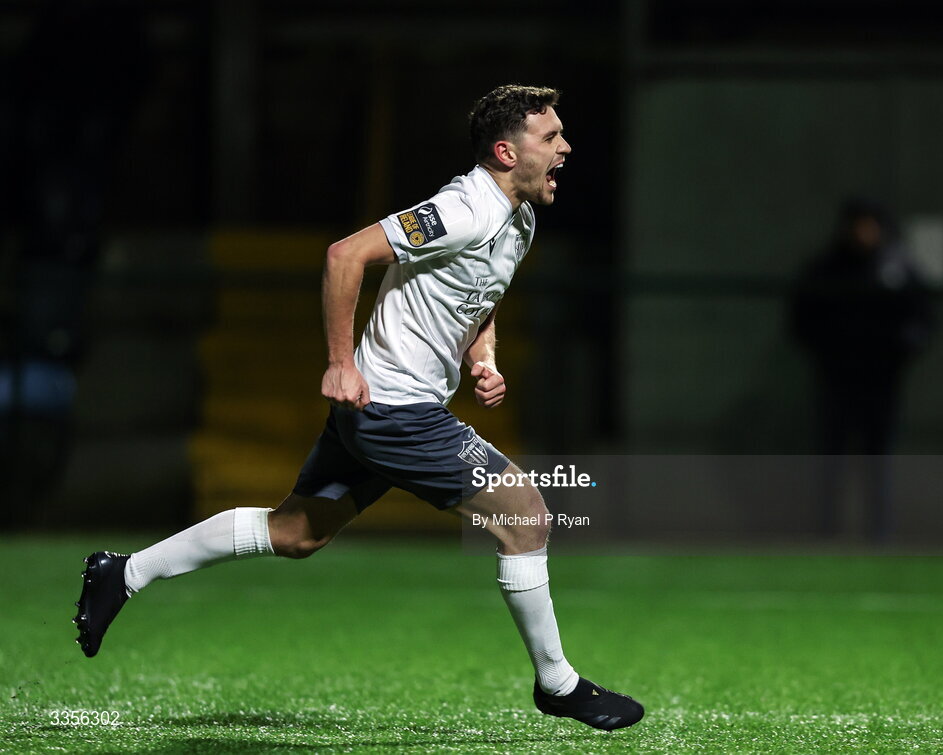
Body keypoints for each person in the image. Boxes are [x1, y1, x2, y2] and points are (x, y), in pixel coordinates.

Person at [74, 84, 644, 731]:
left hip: (388, 410)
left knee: (296, 533)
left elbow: (478, 297)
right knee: (528, 517)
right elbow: (345, 255)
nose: (566, 146)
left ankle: (123, 571)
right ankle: (558, 683)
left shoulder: (520, 219)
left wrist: (481, 357)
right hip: (394, 411)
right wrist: (341, 362)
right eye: (551, 137)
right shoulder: (463, 207)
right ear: (506, 151)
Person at [789, 197, 933, 541]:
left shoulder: (897, 268)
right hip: (838, 378)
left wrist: (901, 350)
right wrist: (830, 351)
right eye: (859, 224)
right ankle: (825, 531)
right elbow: (801, 320)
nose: (865, 232)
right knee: (831, 459)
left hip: (882, 381)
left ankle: (879, 533)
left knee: (878, 458)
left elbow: (923, 318)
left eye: (872, 225)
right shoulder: (826, 268)